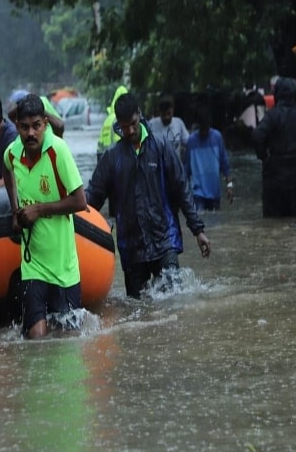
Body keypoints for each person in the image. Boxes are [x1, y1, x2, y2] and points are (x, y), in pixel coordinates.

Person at [86, 93, 210, 299]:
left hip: (164, 241)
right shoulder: (112, 157)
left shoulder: (160, 147)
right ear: (118, 124)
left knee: (173, 303)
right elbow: (93, 198)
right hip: (131, 249)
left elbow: (182, 187)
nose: (131, 130)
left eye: (133, 123)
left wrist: (198, 230)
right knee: (138, 312)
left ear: (140, 115)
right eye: (125, 126)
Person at [2, 94, 87, 339]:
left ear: (45, 125)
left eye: (36, 126)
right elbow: (6, 171)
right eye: (25, 127)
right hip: (33, 265)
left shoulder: (58, 151)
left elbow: (80, 201)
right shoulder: (12, 153)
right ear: (16, 126)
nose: (31, 133)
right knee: (37, 340)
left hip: (63, 267)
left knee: (68, 340)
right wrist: (14, 210)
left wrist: (39, 209)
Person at [252, 76, 296, 217]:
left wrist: (264, 156)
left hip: (274, 180)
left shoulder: (272, 116)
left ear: (277, 94)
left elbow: (257, 136)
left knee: (273, 226)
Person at [185, 106, 233, 211]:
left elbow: (225, 164)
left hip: (215, 192)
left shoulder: (217, 137)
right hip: (197, 193)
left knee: (215, 225)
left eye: (206, 128)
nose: (204, 132)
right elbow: (186, 170)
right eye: (202, 128)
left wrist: (229, 185)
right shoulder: (191, 141)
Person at [148, 94, 189, 160]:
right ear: (159, 112)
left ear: (173, 109)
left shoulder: (178, 123)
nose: (167, 117)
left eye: (169, 113)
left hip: (175, 166)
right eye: (164, 114)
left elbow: (188, 142)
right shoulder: (151, 124)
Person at [96, 85, 127, 163]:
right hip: (117, 163)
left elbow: (99, 148)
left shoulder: (107, 120)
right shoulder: (122, 118)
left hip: (105, 162)